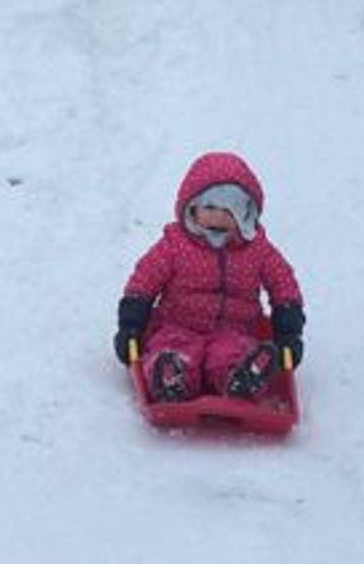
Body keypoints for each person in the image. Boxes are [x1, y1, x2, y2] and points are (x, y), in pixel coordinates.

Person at [113, 151, 306, 403]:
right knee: (170, 348)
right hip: (178, 325)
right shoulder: (174, 245)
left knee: (231, 354)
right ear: (192, 208)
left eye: (231, 210)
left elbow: (284, 285)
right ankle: (172, 376)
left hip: (234, 330)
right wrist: (131, 325)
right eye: (210, 207)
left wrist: (289, 332)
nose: (219, 216)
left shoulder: (257, 249)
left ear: (246, 214)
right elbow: (143, 282)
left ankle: (244, 376)